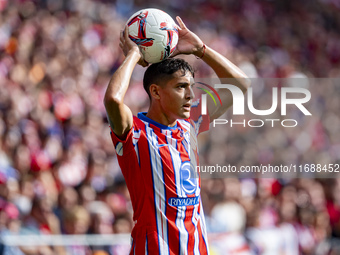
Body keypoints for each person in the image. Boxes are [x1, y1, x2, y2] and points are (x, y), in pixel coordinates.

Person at [104, 16, 249, 255]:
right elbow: (112, 100)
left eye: (191, 86)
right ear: (156, 91)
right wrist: (134, 55)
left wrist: (201, 50)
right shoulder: (135, 131)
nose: (190, 95)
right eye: (181, 87)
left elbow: (241, 84)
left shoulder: (189, 124)